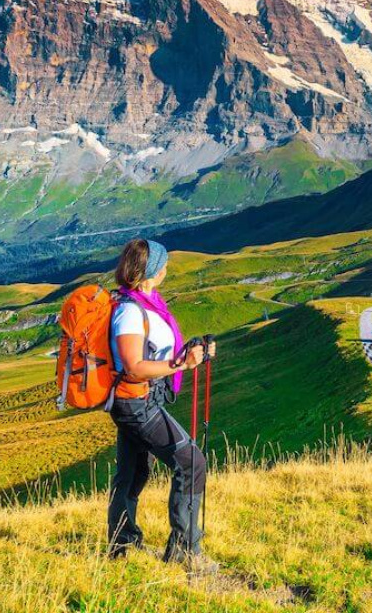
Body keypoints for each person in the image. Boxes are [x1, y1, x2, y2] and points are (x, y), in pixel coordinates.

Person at [105, 238, 217, 576]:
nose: (167, 268)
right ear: (152, 270)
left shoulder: (148, 303)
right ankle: (184, 551)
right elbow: (134, 366)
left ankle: (121, 545)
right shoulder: (129, 311)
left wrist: (189, 352)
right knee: (192, 462)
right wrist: (181, 366)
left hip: (139, 399)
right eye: (163, 263)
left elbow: (157, 351)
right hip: (136, 401)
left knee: (134, 471)